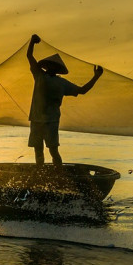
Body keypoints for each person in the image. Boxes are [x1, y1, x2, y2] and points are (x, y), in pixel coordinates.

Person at [27, 33, 103, 166]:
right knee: (38, 151)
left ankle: (59, 174)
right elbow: (29, 56)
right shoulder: (40, 76)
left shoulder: (60, 82)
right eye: (49, 65)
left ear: (56, 69)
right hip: (37, 119)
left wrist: (96, 77)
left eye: (52, 66)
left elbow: (82, 90)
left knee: (53, 150)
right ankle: (40, 174)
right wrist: (32, 42)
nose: (50, 68)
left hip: (50, 121)